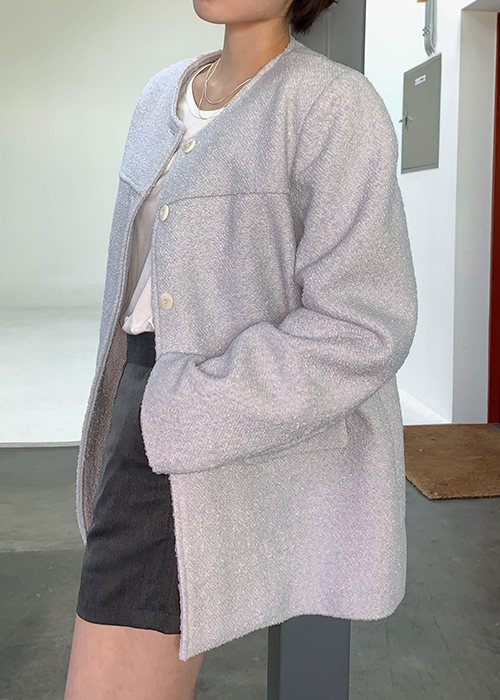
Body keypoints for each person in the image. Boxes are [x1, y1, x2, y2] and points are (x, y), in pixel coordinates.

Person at [65, 0, 419, 696]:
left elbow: (365, 325)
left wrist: (189, 409)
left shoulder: (334, 106)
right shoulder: (160, 96)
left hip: (199, 421)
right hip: (140, 405)